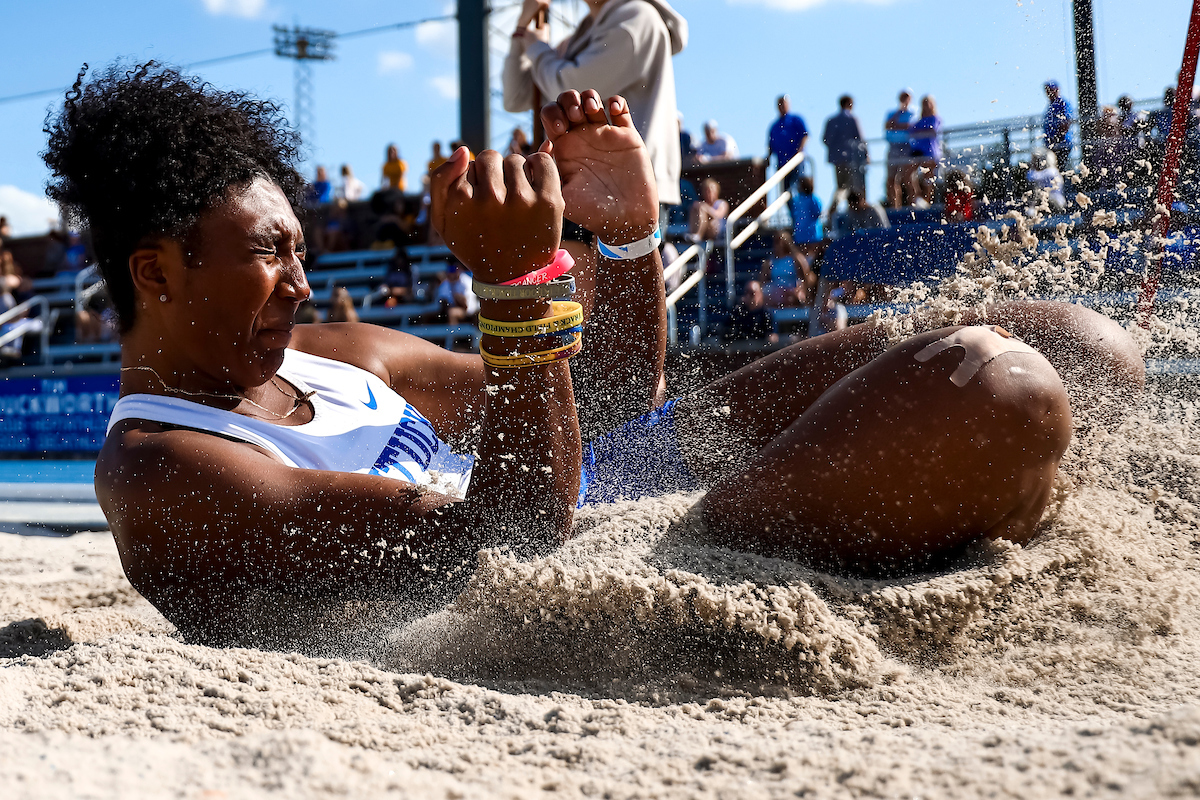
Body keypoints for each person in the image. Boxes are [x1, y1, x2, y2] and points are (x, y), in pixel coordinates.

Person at [52, 65, 1141, 644]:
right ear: (157, 273)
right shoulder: (160, 466)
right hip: (607, 563)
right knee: (1004, 388)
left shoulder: (334, 354)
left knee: (1086, 345)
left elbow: (615, 396)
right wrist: (520, 289)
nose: (300, 279)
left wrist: (618, 236)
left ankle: (948, 493)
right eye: (269, 254)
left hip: (612, 491)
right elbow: (510, 539)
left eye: (299, 249)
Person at [503, 0, 687, 212]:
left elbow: (571, 90)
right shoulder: (582, 38)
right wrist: (522, 30)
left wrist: (537, 49)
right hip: (582, 184)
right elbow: (516, 98)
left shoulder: (636, 18)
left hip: (625, 187)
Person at [822, 95, 867, 225]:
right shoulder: (852, 119)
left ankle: (834, 211)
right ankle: (838, 212)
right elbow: (860, 139)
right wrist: (866, 155)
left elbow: (825, 140)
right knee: (852, 188)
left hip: (837, 160)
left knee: (841, 186)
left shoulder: (831, 120)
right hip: (851, 159)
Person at [767, 95, 808, 211]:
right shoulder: (774, 126)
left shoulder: (796, 120)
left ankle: (802, 215)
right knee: (785, 193)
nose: (782, 107)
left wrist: (799, 151)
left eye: (784, 104)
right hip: (782, 164)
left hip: (796, 163)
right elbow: (770, 145)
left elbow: (805, 136)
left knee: (797, 189)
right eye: (780, 104)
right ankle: (794, 217)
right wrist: (768, 158)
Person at [905, 95, 942, 206]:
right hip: (917, 151)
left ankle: (927, 202)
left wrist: (919, 131)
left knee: (928, 178)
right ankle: (916, 197)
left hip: (930, 152)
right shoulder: (920, 120)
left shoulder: (935, 118)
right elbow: (911, 130)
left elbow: (932, 130)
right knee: (907, 174)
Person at [884, 90, 915, 208]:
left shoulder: (914, 112)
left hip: (907, 147)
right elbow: (887, 126)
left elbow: (911, 127)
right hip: (893, 147)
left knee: (908, 178)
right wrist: (899, 113)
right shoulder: (892, 113)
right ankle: (895, 205)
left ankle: (912, 204)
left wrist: (896, 125)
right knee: (891, 179)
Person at [790, 176, 824, 263]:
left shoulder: (796, 200)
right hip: (813, 234)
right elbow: (818, 212)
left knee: (803, 260)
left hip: (800, 234)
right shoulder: (813, 199)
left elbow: (793, 215)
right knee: (813, 260)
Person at [1043, 80, 1074, 172]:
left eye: (1051, 89)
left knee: (1061, 169)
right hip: (1052, 144)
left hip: (1062, 143)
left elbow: (1067, 121)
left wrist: (1057, 138)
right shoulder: (1050, 105)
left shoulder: (1062, 103)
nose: (1048, 92)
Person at [1026, 149, 1066, 214]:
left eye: (1038, 160)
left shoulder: (1052, 172)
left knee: (1038, 193)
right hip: (1047, 203)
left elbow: (1032, 176)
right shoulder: (1047, 172)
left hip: (1056, 203)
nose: (1036, 162)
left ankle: (1031, 211)